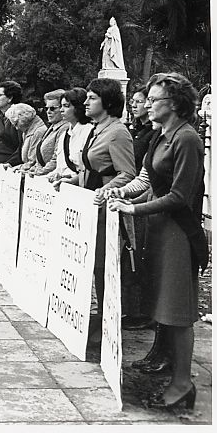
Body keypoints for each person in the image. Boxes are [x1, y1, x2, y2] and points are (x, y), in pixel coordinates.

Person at [107, 72, 204, 410]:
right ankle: (176, 378)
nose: (147, 105)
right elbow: (147, 180)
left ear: (174, 103)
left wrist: (133, 208)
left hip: (177, 233)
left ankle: (182, 384)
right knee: (164, 308)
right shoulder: (162, 136)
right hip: (159, 230)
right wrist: (121, 193)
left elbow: (179, 196)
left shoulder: (186, 138)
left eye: (153, 100)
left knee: (177, 312)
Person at [79, 78, 136, 347]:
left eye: (92, 98)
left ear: (108, 102)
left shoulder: (117, 132)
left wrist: (105, 190)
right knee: (93, 264)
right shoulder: (97, 129)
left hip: (106, 209)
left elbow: (127, 173)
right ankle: (98, 316)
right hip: (90, 203)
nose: (86, 102)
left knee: (104, 266)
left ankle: (107, 321)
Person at [121, 84, 156, 331]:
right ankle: (134, 309)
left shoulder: (155, 135)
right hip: (136, 197)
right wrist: (123, 192)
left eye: (140, 101)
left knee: (140, 257)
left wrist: (135, 202)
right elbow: (142, 174)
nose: (135, 105)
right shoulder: (138, 131)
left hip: (145, 204)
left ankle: (143, 312)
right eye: (132, 101)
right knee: (132, 257)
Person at [46, 87, 94, 186]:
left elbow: (90, 168)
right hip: (63, 185)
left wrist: (73, 179)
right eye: (61, 106)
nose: (61, 110)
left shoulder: (89, 132)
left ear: (78, 107)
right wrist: (53, 175)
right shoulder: (64, 135)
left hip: (81, 186)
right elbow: (60, 167)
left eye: (66, 106)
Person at [26, 89, 69, 176]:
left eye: (52, 108)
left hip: (51, 177)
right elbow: (40, 157)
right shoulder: (52, 127)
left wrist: (39, 173)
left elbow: (56, 159)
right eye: (46, 108)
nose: (48, 112)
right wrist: (33, 168)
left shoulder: (64, 128)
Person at [5, 103, 47, 171]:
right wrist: (11, 164)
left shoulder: (38, 132)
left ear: (24, 118)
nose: (16, 128)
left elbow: (33, 161)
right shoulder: (27, 131)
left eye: (16, 124)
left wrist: (19, 168)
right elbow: (21, 154)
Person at [0, 80, 23, 165]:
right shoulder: (1, 118)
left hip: (10, 167)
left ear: (10, 98)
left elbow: (22, 146)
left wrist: (10, 163)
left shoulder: (18, 118)